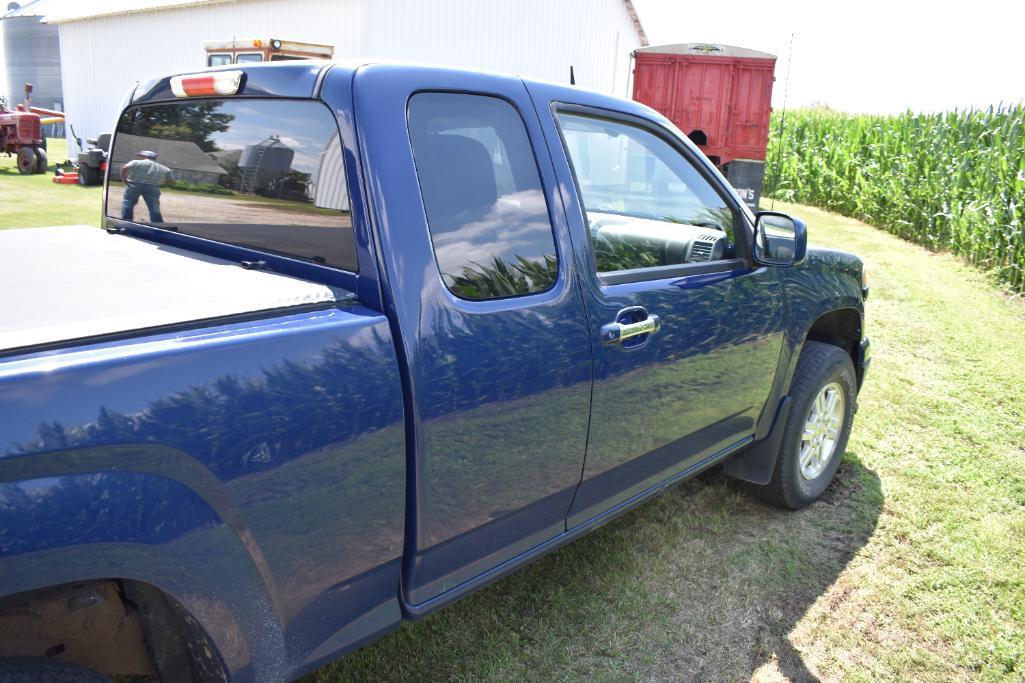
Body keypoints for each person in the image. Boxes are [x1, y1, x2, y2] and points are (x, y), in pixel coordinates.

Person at [120, 150, 172, 223]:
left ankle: (126, 222)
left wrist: (124, 179)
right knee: (154, 207)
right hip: (153, 187)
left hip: (134, 184)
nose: (140, 157)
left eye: (141, 156)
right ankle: (158, 225)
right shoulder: (164, 168)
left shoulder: (136, 162)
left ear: (145, 156)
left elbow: (125, 168)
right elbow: (170, 180)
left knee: (128, 203)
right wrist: (161, 183)